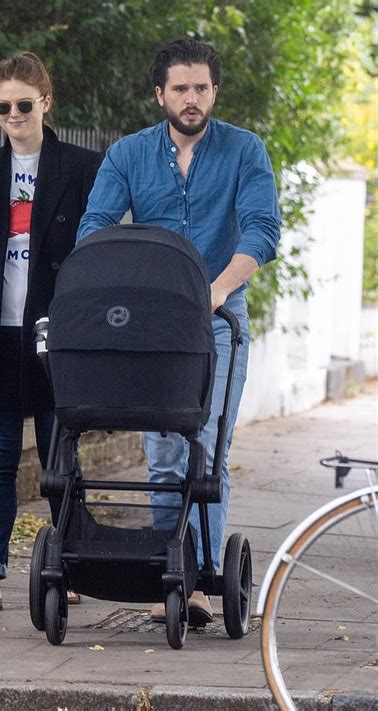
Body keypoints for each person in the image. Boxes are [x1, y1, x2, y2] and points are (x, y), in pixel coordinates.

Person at [77, 38, 281, 624]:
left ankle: (201, 579)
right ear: (160, 94)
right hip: (151, 325)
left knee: (205, 448)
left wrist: (216, 290)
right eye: (180, 88)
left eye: (202, 87)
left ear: (214, 90)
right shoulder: (128, 155)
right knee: (164, 457)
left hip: (218, 322)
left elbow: (262, 230)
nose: (192, 99)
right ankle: (179, 569)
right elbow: (94, 227)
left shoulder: (245, 150)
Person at [0, 52, 101, 611]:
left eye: (23, 104)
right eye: (3, 106)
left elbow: (98, 248)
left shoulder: (82, 167)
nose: (13, 114)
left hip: (58, 336)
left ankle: (71, 567)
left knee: (61, 461)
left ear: (45, 102)